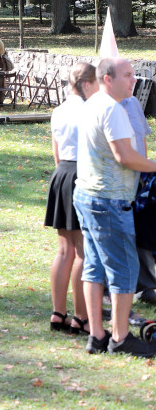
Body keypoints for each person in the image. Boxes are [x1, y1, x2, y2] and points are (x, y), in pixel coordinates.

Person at [74, 57, 156, 356]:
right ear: (107, 79)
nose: (134, 80)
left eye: (133, 74)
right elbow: (125, 156)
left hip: (87, 196)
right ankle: (120, 338)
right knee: (124, 268)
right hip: (109, 200)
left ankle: (97, 335)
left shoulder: (93, 104)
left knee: (94, 267)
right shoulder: (112, 109)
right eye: (127, 75)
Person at [46, 62, 98, 336]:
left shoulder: (59, 110)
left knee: (64, 249)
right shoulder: (90, 109)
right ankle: (81, 317)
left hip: (62, 173)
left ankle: (58, 313)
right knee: (82, 251)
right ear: (89, 83)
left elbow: (56, 150)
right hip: (82, 173)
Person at [120, 91, 156, 307]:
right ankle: (112, 287)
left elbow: (141, 138)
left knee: (145, 228)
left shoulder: (133, 102)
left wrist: (145, 169)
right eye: (128, 76)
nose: (133, 80)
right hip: (117, 178)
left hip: (140, 176)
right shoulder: (103, 105)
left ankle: (145, 285)